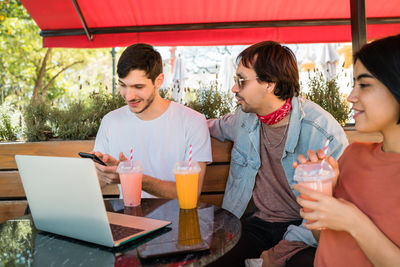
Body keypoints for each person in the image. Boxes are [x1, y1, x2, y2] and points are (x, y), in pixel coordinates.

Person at [206, 41, 349, 266]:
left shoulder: (322, 133)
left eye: (241, 81)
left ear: (269, 84)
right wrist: (182, 123)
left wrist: (281, 251)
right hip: (258, 225)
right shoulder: (245, 119)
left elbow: (336, 209)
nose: (234, 88)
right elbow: (217, 126)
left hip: (307, 232)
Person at [293, 34, 400, 266]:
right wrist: (321, 195)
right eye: (353, 84)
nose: (351, 97)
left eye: (364, 84)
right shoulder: (351, 155)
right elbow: (323, 238)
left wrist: (352, 220)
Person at [93, 43, 212, 199]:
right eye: (123, 85)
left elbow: (190, 194)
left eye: (138, 86)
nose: (129, 96)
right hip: (129, 219)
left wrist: (133, 176)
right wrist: (103, 172)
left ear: (159, 81)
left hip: (176, 220)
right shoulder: (111, 121)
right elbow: (95, 184)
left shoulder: (192, 122)